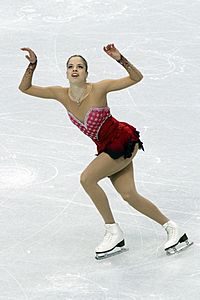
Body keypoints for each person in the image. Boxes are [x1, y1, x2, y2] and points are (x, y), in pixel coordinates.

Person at [19, 44, 192, 259]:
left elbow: (136, 78)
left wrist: (121, 59)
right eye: (71, 66)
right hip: (106, 148)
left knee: (87, 179)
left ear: (86, 73)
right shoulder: (60, 94)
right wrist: (33, 64)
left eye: (80, 66)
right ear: (66, 72)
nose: (75, 69)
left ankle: (112, 230)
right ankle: (174, 229)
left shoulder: (99, 88)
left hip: (122, 140)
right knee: (129, 195)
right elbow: (25, 88)